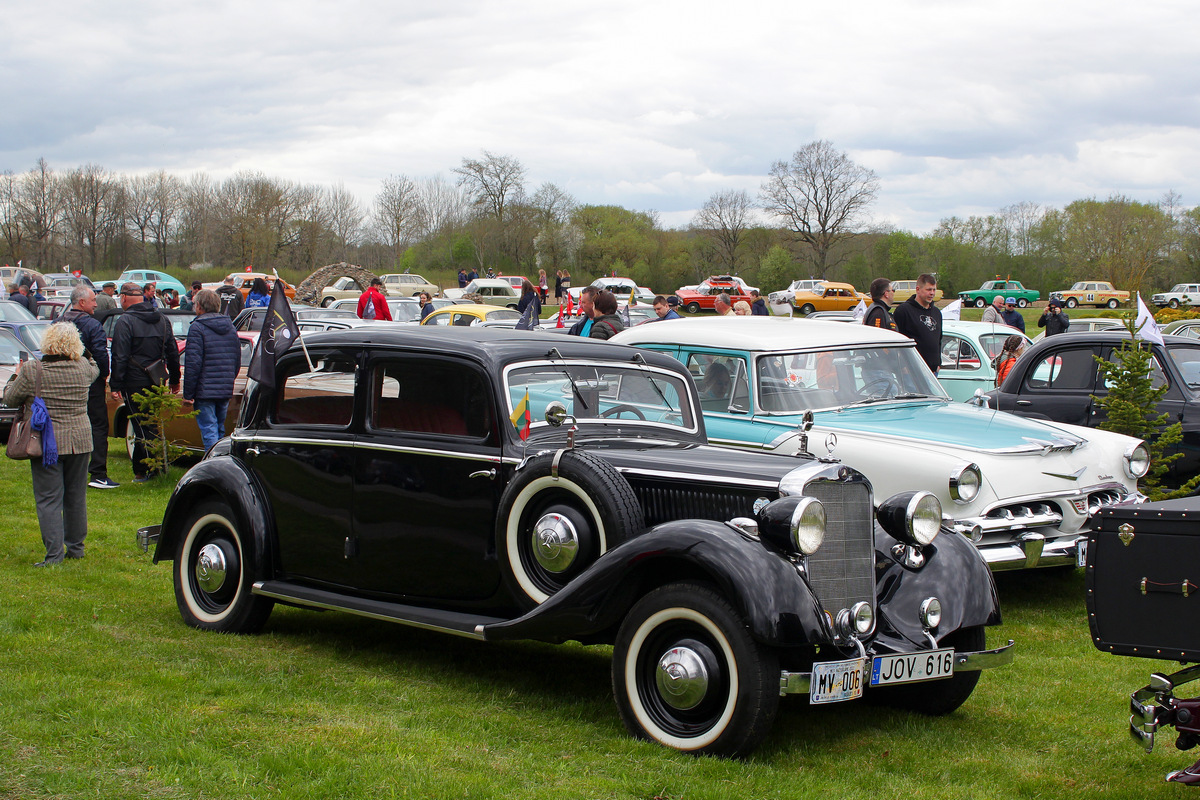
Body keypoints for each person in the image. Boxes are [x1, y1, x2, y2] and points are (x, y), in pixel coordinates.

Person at [4, 323, 99, 566]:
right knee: (76, 496)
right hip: (80, 439)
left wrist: (15, 374)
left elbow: (10, 397)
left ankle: (54, 555)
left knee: (48, 499)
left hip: (46, 442)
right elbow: (95, 365)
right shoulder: (84, 369)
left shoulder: (33, 370)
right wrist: (85, 351)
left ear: (47, 342)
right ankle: (76, 548)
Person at [109, 282, 181, 482]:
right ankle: (147, 468)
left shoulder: (125, 322)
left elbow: (119, 356)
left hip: (134, 380)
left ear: (123, 298)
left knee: (141, 425)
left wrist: (115, 384)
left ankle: (150, 469)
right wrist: (175, 379)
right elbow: (173, 352)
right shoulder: (162, 319)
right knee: (151, 424)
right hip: (156, 379)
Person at [61, 286, 117, 489]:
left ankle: (65, 470)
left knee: (64, 424)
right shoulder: (92, 325)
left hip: (62, 382)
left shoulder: (58, 322)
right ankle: (98, 473)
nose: (96, 303)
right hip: (89, 381)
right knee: (98, 425)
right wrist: (103, 374)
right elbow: (101, 354)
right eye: (93, 300)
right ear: (82, 303)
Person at [182, 290, 240, 451]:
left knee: (209, 430)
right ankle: (221, 460)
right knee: (219, 428)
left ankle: (213, 462)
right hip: (224, 386)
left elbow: (193, 363)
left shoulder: (197, 327)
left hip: (204, 389)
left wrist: (188, 394)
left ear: (199, 306)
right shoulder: (230, 327)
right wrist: (229, 379)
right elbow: (236, 358)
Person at [893, 273, 943, 374]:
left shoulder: (936, 312)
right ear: (918, 289)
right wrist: (902, 367)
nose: (932, 293)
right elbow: (896, 342)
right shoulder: (903, 311)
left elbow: (939, 340)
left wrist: (938, 363)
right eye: (928, 290)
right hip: (912, 371)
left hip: (933, 371)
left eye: (934, 290)